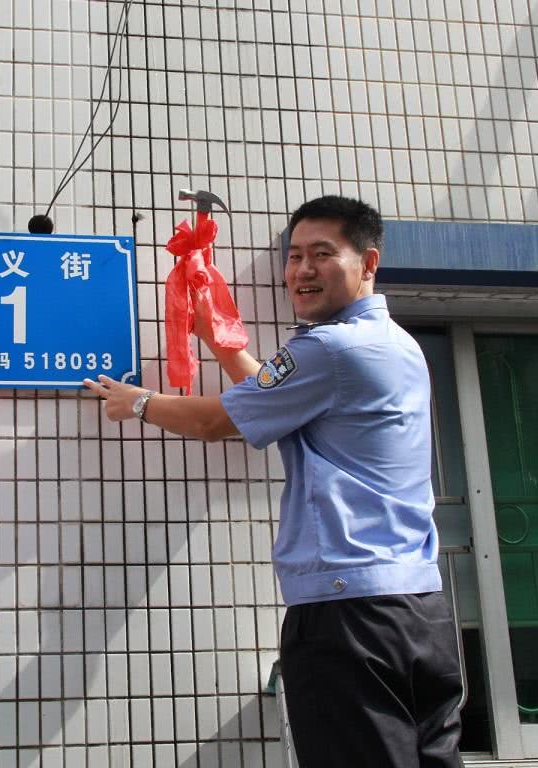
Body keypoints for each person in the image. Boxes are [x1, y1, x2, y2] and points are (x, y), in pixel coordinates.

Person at [84, 196, 463, 767]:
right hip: (419, 609)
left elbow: (217, 422)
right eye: (294, 256)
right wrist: (219, 341)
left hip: (350, 616)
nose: (302, 270)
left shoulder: (328, 347)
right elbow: (276, 394)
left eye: (322, 254)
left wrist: (137, 402)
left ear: (368, 262)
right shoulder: (397, 344)